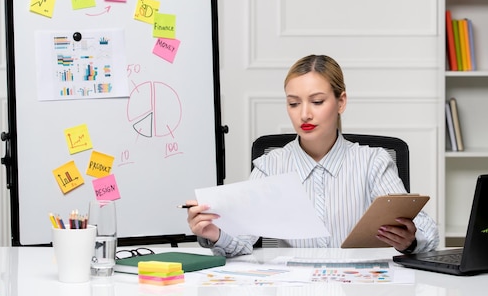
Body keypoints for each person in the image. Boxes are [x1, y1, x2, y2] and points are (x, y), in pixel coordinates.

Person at [186, 54, 439, 257]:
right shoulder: (269, 166)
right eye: (294, 103)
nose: (304, 114)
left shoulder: (373, 162)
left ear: (341, 102)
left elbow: (428, 233)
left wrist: (411, 239)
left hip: (359, 288)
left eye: (317, 102)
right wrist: (214, 233)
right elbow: (241, 242)